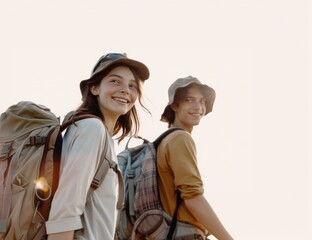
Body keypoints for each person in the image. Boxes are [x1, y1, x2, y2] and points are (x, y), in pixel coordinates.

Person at [46, 53, 150, 240]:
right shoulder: (91, 129)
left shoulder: (96, 133)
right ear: (94, 88)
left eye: (132, 85)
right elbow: (65, 209)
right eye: (115, 81)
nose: (126, 90)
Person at [157, 76, 233, 240]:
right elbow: (193, 198)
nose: (198, 107)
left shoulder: (162, 141)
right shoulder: (180, 138)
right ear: (175, 105)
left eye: (202, 101)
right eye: (189, 100)